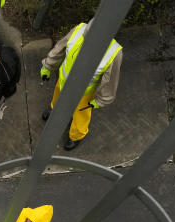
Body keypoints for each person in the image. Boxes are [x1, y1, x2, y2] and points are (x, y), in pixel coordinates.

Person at [39, 21, 122, 150]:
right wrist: (48, 66)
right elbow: (61, 48)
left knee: (80, 115)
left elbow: (111, 80)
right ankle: (54, 109)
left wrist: (100, 100)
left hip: (84, 93)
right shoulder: (80, 30)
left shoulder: (113, 52)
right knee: (57, 98)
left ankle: (77, 135)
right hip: (63, 81)